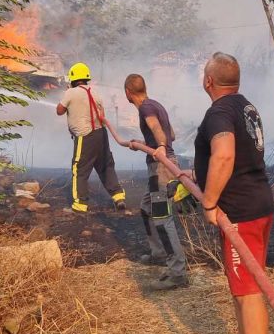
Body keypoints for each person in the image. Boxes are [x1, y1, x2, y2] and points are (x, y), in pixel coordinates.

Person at [195, 53, 274, 334]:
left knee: (248, 289)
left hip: (240, 212)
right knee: (241, 278)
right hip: (258, 203)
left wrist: (210, 202)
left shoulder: (218, 112)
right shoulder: (245, 106)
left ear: (209, 81)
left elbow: (225, 153)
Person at [123, 73, 189, 290]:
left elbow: (161, 134)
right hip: (161, 165)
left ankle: (178, 272)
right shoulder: (156, 104)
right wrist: (145, 143)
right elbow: (172, 134)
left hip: (161, 168)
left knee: (162, 217)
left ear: (128, 93)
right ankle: (159, 253)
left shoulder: (145, 109)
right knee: (146, 208)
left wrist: (159, 145)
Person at [56, 62, 127, 213]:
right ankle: (118, 196)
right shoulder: (96, 93)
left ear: (73, 79)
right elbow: (103, 117)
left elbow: (59, 111)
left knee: (79, 169)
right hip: (101, 134)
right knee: (106, 166)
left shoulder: (70, 93)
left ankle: (80, 204)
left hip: (85, 136)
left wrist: (67, 95)